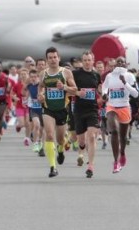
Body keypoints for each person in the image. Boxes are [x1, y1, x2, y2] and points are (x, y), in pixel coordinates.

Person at [38, 47, 77, 178]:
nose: (53, 60)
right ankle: (53, 167)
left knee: (60, 140)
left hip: (62, 109)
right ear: (47, 60)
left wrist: (64, 87)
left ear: (59, 58)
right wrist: (40, 95)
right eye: (50, 58)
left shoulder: (66, 73)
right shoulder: (43, 74)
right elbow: (41, 87)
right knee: (49, 135)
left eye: (55, 57)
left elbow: (75, 89)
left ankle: (60, 150)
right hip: (48, 109)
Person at [101, 56, 138, 173]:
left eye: (122, 62)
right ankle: (116, 162)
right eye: (118, 62)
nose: (120, 63)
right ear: (115, 64)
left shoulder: (130, 76)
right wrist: (104, 94)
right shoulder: (110, 76)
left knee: (123, 136)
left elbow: (136, 94)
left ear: (126, 64)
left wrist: (125, 83)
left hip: (125, 107)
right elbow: (104, 87)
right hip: (112, 106)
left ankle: (122, 153)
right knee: (114, 131)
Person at [72, 51, 102, 178]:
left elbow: (99, 90)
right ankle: (82, 148)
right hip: (79, 110)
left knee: (91, 137)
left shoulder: (96, 75)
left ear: (93, 60)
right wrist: (78, 93)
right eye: (85, 60)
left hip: (92, 110)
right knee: (82, 140)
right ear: (82, 61)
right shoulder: (75, 74)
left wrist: (103, 93)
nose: (87, 62)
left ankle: (90, 166)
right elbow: (69, 89)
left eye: (89, 60)